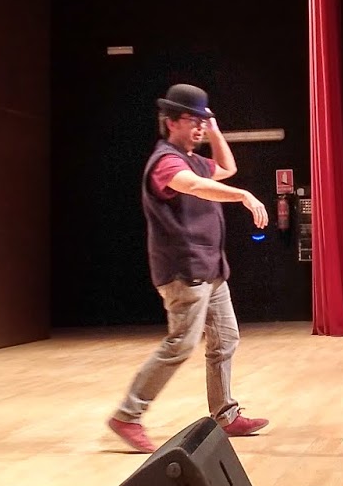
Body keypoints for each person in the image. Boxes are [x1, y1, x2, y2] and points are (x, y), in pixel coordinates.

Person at [108, 84, 270, 453]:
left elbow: (226, 168)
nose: (199, 126)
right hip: (184, 271)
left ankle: (225, 414)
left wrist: (215, 130)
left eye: (203, 119)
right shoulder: (166, 162)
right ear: (171, 122)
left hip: (210, 269)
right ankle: (128, 415)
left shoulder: (193, 158)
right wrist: (243, 195)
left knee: (225, 338)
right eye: (192, 119)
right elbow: (196, 187)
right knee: (180, 344)